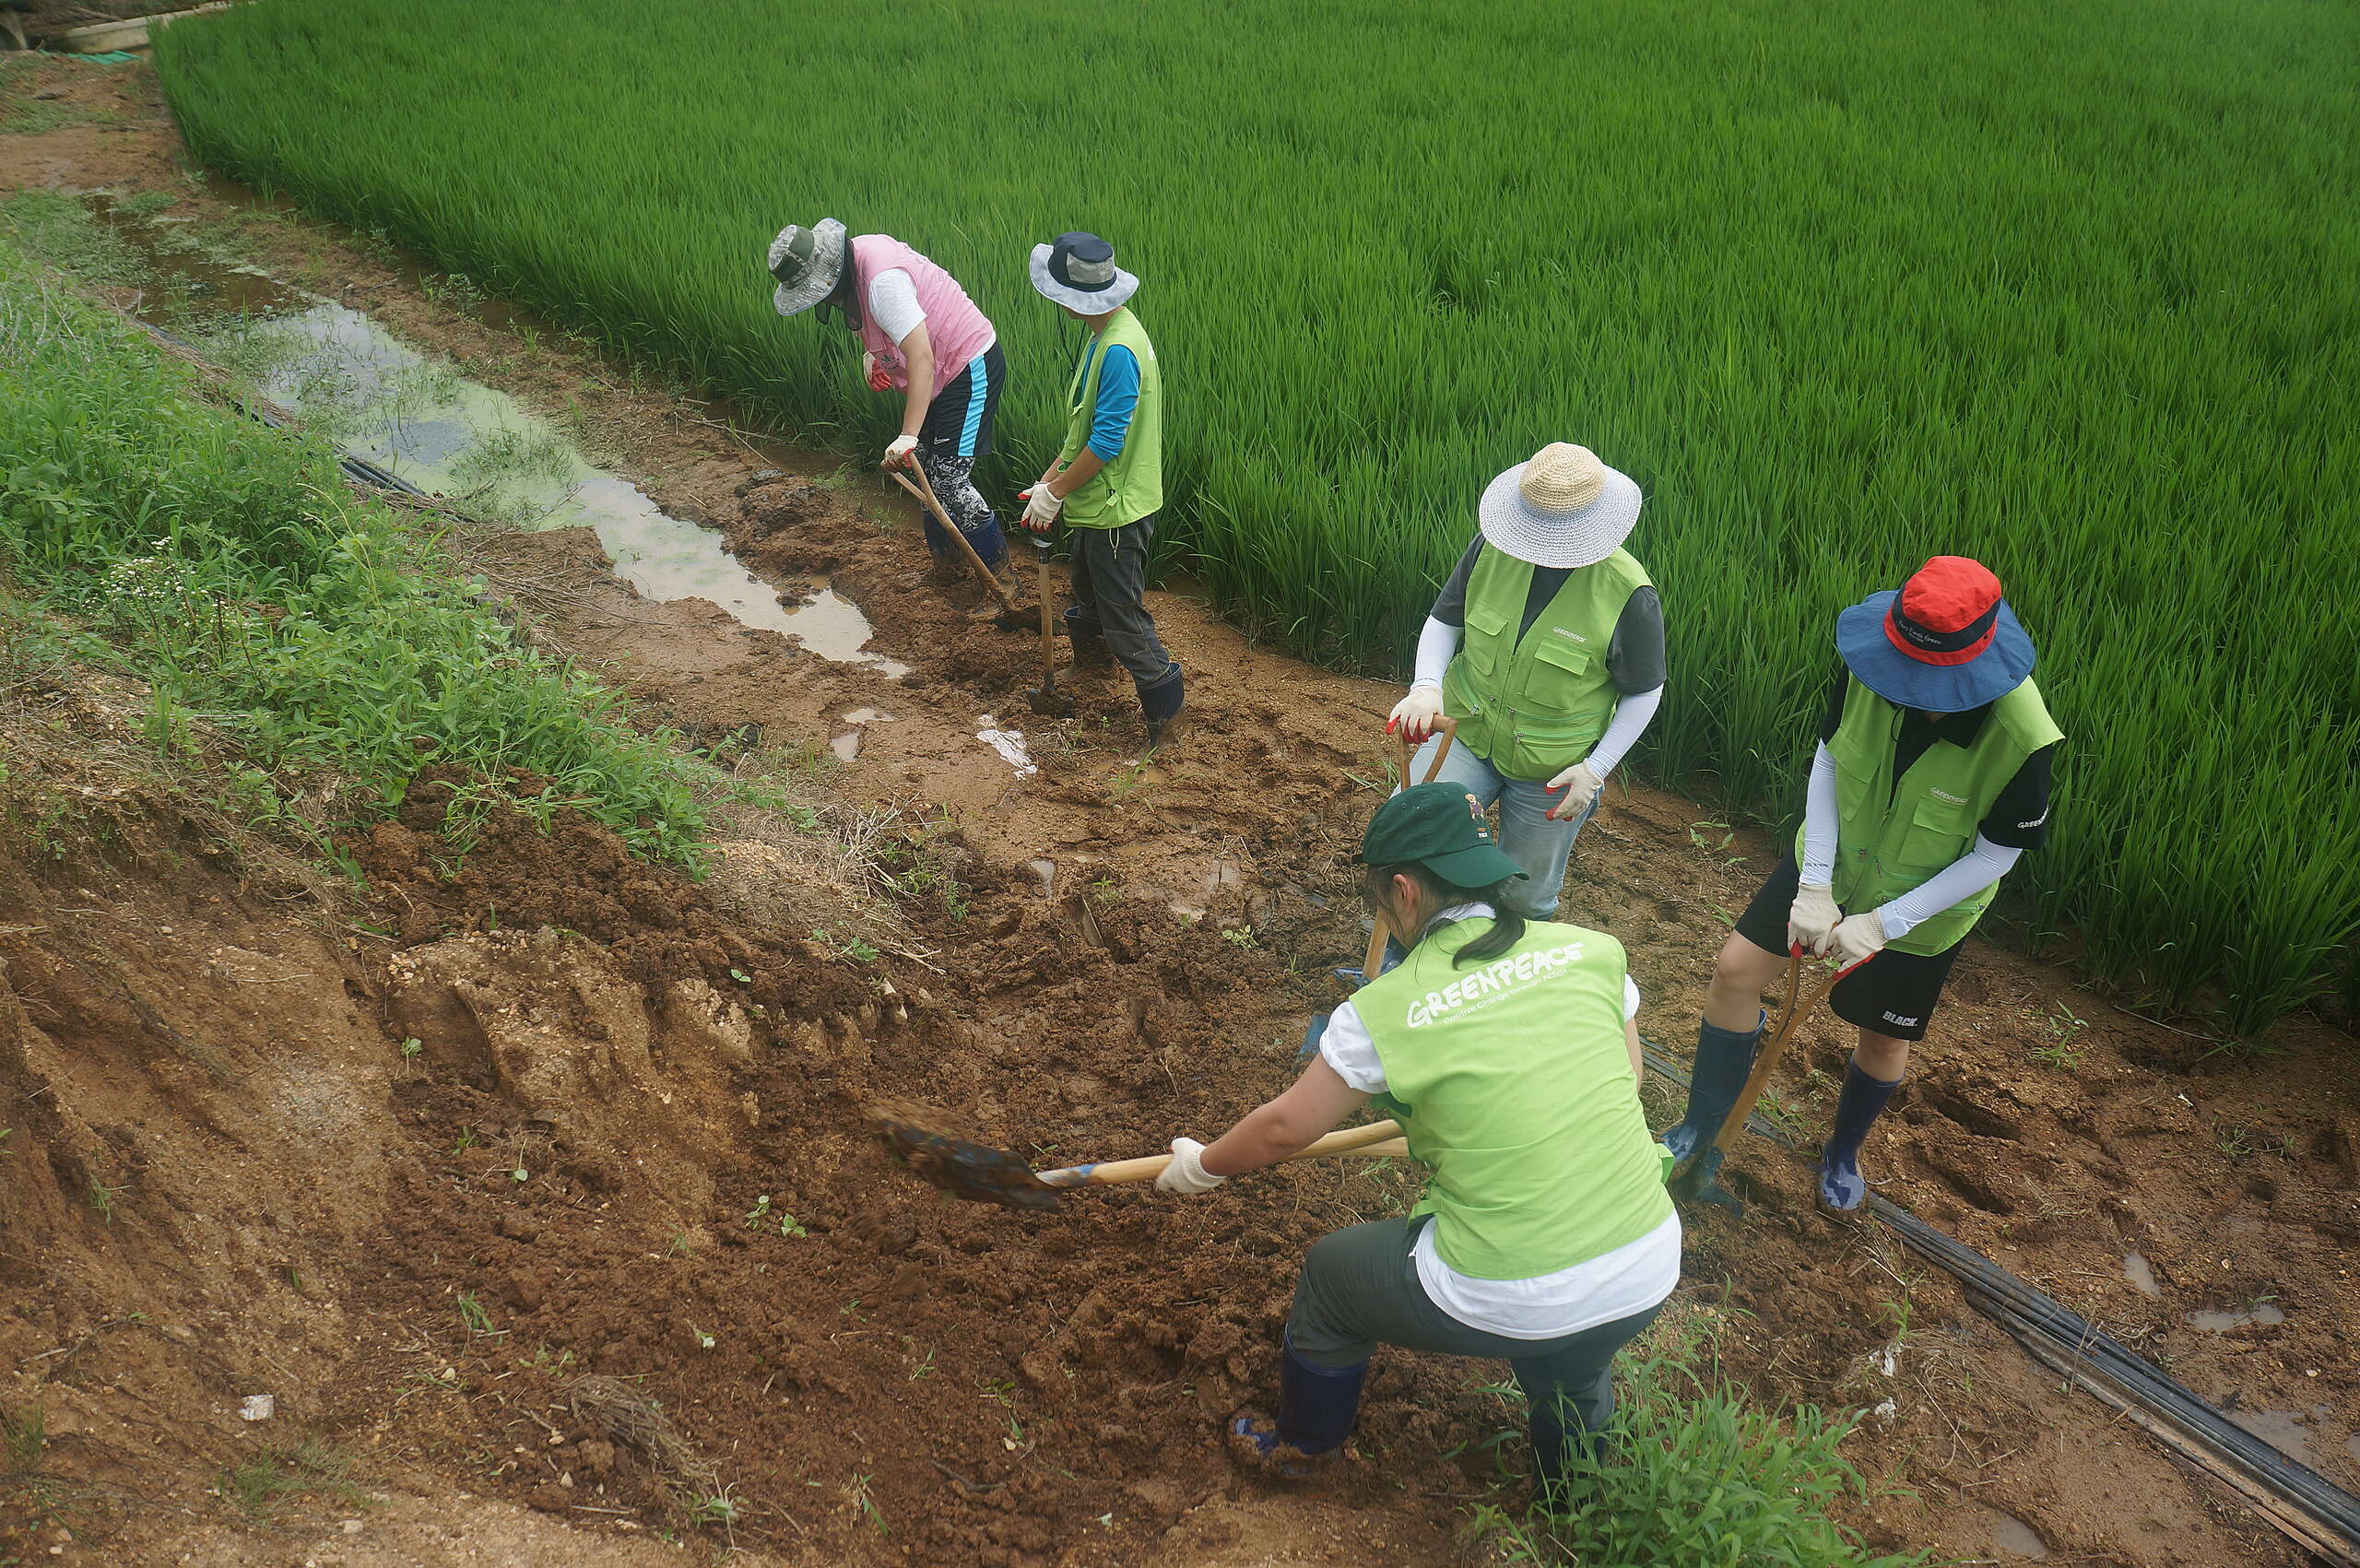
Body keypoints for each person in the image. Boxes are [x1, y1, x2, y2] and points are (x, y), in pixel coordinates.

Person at [1155, 783, 1680, 1488]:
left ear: (1403, 890)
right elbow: (1626, 1078)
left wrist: (1202, 1165)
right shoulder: (1591, 951)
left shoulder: (1387, 1009)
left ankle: (1305, 1445)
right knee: (1572, 1362)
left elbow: (1284, 1127)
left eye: (1381, 902)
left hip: (1516, 1277)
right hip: (1644, 1259)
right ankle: (1575, 1495)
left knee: (1334, 1277)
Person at [1659, 556, 2061, 1211]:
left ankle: (1842, 1153)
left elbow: (1994, 857)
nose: (1900, 686)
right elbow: (1829, 760)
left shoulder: (2022, 736)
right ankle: (1700, 1125)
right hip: (1833, 860)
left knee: (1882, 1036)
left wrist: (1884, 923)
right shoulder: (1869, 666)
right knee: (1735, 969)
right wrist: (1815, 883)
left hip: (1925, 906)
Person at [1387, 443, 1664, 919]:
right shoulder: (1490, 550)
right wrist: (1426, 686)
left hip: (1553, 768)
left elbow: (1644, 691)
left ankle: (1501, 979)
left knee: (1523, 893)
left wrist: (1595, 768)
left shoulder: (1628, 594)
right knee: (1412, 840)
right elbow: (1445, 619)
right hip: (1467, 734)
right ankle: (1404, 959)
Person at [766, 219, 1008, 578]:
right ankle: (947, 572)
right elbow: (895, 321)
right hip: (936, 366)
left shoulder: (883, 282)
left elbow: (922, 357)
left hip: (966, 364)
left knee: (949, 481)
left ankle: (1002, 583)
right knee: (927, 469)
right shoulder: (858, 259)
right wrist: (875, 355)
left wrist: (908, 435)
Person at [1017, 231, 1181, 745]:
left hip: (1117, 509)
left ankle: (1166, 718)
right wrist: (1049, 480)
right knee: (1086, 594)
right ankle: (1091, 671)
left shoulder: (1117, 350)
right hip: (1098, 500)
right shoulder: (1104, 333)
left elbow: (1108, 441)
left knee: (1121, 617)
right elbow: (1082, 429)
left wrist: (1058, 492)